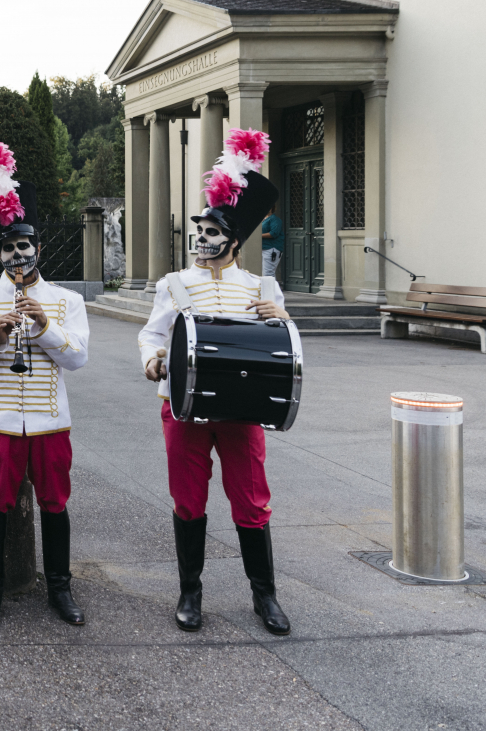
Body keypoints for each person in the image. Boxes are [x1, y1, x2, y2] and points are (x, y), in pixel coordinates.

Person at [138, 128, 293, 636]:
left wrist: (282, 320)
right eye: (198, 230)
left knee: (251, 500)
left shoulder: (262, 287)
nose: (201, 239)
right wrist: (153, 360)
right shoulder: (174, 284)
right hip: (182, 408)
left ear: (233, 241)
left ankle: (264, 596)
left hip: (241, 411)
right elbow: (152, 334)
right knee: (189, 499)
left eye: (210, 231)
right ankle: (190, 592)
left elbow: (287, 353)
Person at [0, 142, 90, 628]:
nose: (17, 255)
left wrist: (42, 326)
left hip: (52, 422)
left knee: (56, 504)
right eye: (8, 248)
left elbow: (78, 358)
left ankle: (61, 589)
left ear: (39, 248)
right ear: (0, 252)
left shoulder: (65, 300)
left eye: (24, 246)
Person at [261, 207, 285, 279]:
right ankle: (271, 290)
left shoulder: (275, 219)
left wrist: (258, 236)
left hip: (272, 249)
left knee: (268, 274)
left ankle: (271, 290)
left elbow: (274, 233)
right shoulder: (264, 219)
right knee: (265, 274)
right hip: (264, 248)